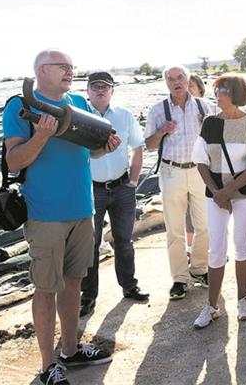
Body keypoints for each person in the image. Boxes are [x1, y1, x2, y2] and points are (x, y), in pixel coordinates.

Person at [3, 50, 116, 385]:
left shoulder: (79, 102)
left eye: (71, 67)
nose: (70, 71)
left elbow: (91, 150)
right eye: (62, 66)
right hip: (45, 214)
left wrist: (105, 146)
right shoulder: (19, 106)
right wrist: (41, 135)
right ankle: (47, 366)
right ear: (41, 71)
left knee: (73, 283)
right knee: (46, 289)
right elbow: (14, 161)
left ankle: (70, 350)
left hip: (82, 209)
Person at [191, 74, 246, 328]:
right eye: (216, 90)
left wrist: (228, 191)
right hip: (216, 195)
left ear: (236, 94)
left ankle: (243, 300)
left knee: (242, 245)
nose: (217, 94)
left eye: (223, 90)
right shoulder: (210, 123)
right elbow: (200, 161)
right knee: (216, 249)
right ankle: (211, 306)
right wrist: (216, 191)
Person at [79, 72, 149, 318]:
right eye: (95, 86)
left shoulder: (124, 115)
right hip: (91, 190)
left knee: (124, 241)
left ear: (112, 91)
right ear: (87, 91)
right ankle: (88, 296)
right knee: (90, 245)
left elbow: (137, 147)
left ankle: (129, 286)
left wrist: (134, 180)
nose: (100, 90)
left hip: (122, 188)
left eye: (105, 87)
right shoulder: (80, 116)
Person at [144, 65, 217, 300]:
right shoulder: (158, 110)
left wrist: (209, 125)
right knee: (175, 228)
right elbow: (149, 146)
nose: (176, 82)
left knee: (204, 225)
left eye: (180, 77)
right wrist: (161, 132)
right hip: (171, 171)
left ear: (188, 79)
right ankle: (179, 278)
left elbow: (221, 135)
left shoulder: (205, 107)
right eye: (171, 79)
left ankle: (199, 269)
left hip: (200, 171)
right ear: (166, 83)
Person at [185, 75, 206, 262]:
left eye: (191, 86)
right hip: (185, 169)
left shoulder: (208, 108)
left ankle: (212, 248)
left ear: (200, 88)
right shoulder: (176, 110)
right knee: (189, 212)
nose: (187, 89)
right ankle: (190, 248)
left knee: (209, 211)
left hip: (207, 168)